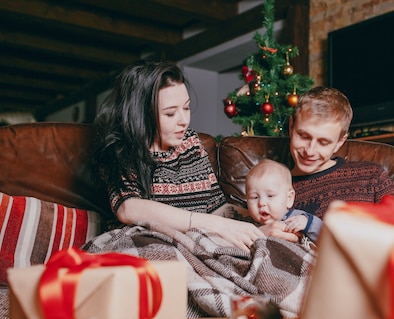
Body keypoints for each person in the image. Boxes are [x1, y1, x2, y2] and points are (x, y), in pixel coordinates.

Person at [91, 59, 291, 251]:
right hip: (145, 244)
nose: (184, 121)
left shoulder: (191, 144)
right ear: (141, 115)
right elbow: (128, 208)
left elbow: (218, 208)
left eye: (186, 108)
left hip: (198, 242)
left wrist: (262, 224)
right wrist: (213, 225)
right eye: (170, 113)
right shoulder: (120, 148)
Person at [288, 86, 394, 218]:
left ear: (339, 142)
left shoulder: (372, 177)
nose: (310, 151)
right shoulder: (270, 188)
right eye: (303, 136)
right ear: (291, 126)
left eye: (324, 142)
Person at [245, 159, 322, 243]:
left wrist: (307, 223)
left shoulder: (296, 218)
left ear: (289, 199)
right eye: (254, 197)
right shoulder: (248, 224)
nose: (261, 203)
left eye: (270, 196)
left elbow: (326, 236)